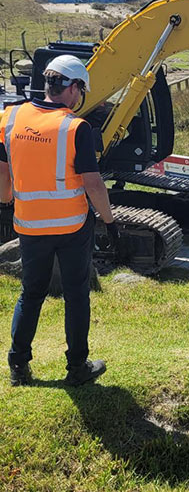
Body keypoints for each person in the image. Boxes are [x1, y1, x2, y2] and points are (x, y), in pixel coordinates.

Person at [0, 54, 118, 387]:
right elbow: (93, 183)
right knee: (76, 294)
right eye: (81, 91)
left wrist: (6, 198)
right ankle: (78, 368)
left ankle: (18, 366)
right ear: (75, 88)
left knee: (30, 294)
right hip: (71, 227)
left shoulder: (11, 117)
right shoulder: (75, 127)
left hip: (29, 226)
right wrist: (109, 222)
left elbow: (2, 171)